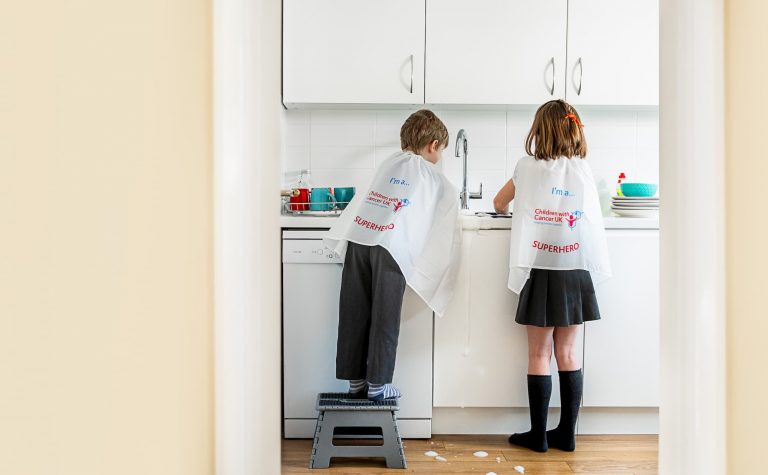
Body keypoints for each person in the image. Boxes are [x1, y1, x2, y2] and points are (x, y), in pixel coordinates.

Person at [494, 100, 611, 452]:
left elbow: (500, 203)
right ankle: (568, 433)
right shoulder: (583, 170)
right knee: (569, 351)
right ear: (574, 129)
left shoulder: (526, 167)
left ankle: (538, 435)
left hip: (540, 268)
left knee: (538, 354)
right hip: (575, 270)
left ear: (538, 130)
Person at [324, 110, 461, 401]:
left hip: (360, 239)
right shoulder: (427, 171)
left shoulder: (390, 162)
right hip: (391, 250)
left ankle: (355, 382)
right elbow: (446, 207)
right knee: (385, 315)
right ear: (433, 146)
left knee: (354, 311)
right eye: (442, 151)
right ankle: (378, 385)